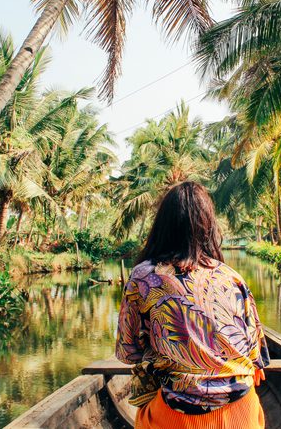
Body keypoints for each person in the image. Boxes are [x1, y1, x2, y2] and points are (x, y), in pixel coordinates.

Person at [115, 181, 269, 429]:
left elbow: (128, 352)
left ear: (162, 226)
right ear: (208, 226)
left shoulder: (144, 276)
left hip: (178, 417)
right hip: (244, 413)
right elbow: (256, 358)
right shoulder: (232, 277)